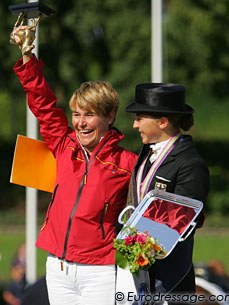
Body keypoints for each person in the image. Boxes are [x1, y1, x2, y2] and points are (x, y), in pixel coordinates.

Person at [10, 25, 137, 305]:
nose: (80, 122)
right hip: (57, 267)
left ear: (110, 116)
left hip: (101, 271)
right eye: (76, 114)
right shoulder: (64, 143)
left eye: (89, 114)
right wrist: (27, 57)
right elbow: (43, 105)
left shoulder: (129, 163)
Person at [124, 83, 210, 303]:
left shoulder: (190, 163)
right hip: (137, 270)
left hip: (169, 278)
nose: (134, 125)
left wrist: (139, 245)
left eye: (140, 118)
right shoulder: (145, 153)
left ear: (162, 122)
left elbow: (185, 220)